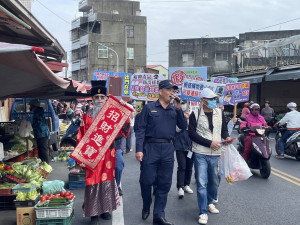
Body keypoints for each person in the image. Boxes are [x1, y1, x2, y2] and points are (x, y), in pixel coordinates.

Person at [77, 80, 130, 225]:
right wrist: (80, 158)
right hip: (92, 152)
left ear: (106, 98)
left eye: (102, 98)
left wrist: (126, 116)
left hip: (108, 153)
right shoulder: (86, 116)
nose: (99, 100)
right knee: (92, 181)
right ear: (92, 99)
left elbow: (124, 132)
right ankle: (93, 213)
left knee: (107, 180)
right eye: (96, 98)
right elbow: (81, 135)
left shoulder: (112, 114)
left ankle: (105, 209)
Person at [135, 80, 187, 225]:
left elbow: (183, 126)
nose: (172, 93)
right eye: (169, 90)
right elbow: (140, 130)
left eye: (173, 90)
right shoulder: (149, 107)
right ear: (160, 91)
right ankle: (146, 205)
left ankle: (159, 215)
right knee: (146, 181)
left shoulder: (174, 110)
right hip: (151, 147)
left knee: (164, 183)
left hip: (168, 149)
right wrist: (139, 149)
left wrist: (179, 109)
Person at [188, 88, 232, 225]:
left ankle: (210, 201)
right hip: (201, 152)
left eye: (215, 99)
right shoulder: (195, 114)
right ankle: (203, 211)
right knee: (202, 182)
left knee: (215, 180)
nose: (214, 101)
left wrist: (227, 137)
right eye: (211, 99)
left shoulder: (220, 112)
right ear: (203, 100)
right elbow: (192, 134)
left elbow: (223, 129)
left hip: (216, 152)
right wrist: (209, 143)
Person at [174, 100, 193, 199]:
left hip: (190, 146)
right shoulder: (178, 115)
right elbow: (177, 129)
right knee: (182, 166)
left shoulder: (193, 116)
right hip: (180, 145)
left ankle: (186, 184)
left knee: (189, 167)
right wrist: (183, 119)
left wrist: (190, 121)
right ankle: (180, 187)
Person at [29, 99, 50, 164]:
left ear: (34, 106)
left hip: (42, 133)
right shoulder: (38, 112)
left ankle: (47, 165)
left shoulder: (38, 113)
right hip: (41, 133)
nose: (30, 107)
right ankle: (43, 164)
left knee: (43, 151)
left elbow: (37, 123)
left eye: (31, 106)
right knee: (41, 151)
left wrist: (31, 126)